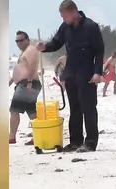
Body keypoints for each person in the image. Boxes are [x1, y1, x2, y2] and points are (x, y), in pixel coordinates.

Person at [36, 0, 104, 153]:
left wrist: (97, 72)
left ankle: (91, 142)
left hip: (87, 71)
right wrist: (44, 47)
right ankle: (75, 141)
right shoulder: (65, 27)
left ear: (74, 12)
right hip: (71, 71)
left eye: (64, 16)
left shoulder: (91, 27)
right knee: (75, 108)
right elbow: (56, 42)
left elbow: (99, 51)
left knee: (88, 107)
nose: (63, 19)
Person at [9, 30, 42, 145]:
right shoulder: (24, 52)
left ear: (27, 40)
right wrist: (11, 80)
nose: (18, 43)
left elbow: (33, 66)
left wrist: (29, 82)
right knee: (31, 111)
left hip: (27, 84)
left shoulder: (30, 50)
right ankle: (39, 135)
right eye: (16, 41)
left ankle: (11, 136)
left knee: (14, 109)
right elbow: (21, 68)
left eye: (21, 40)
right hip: (25, 84)